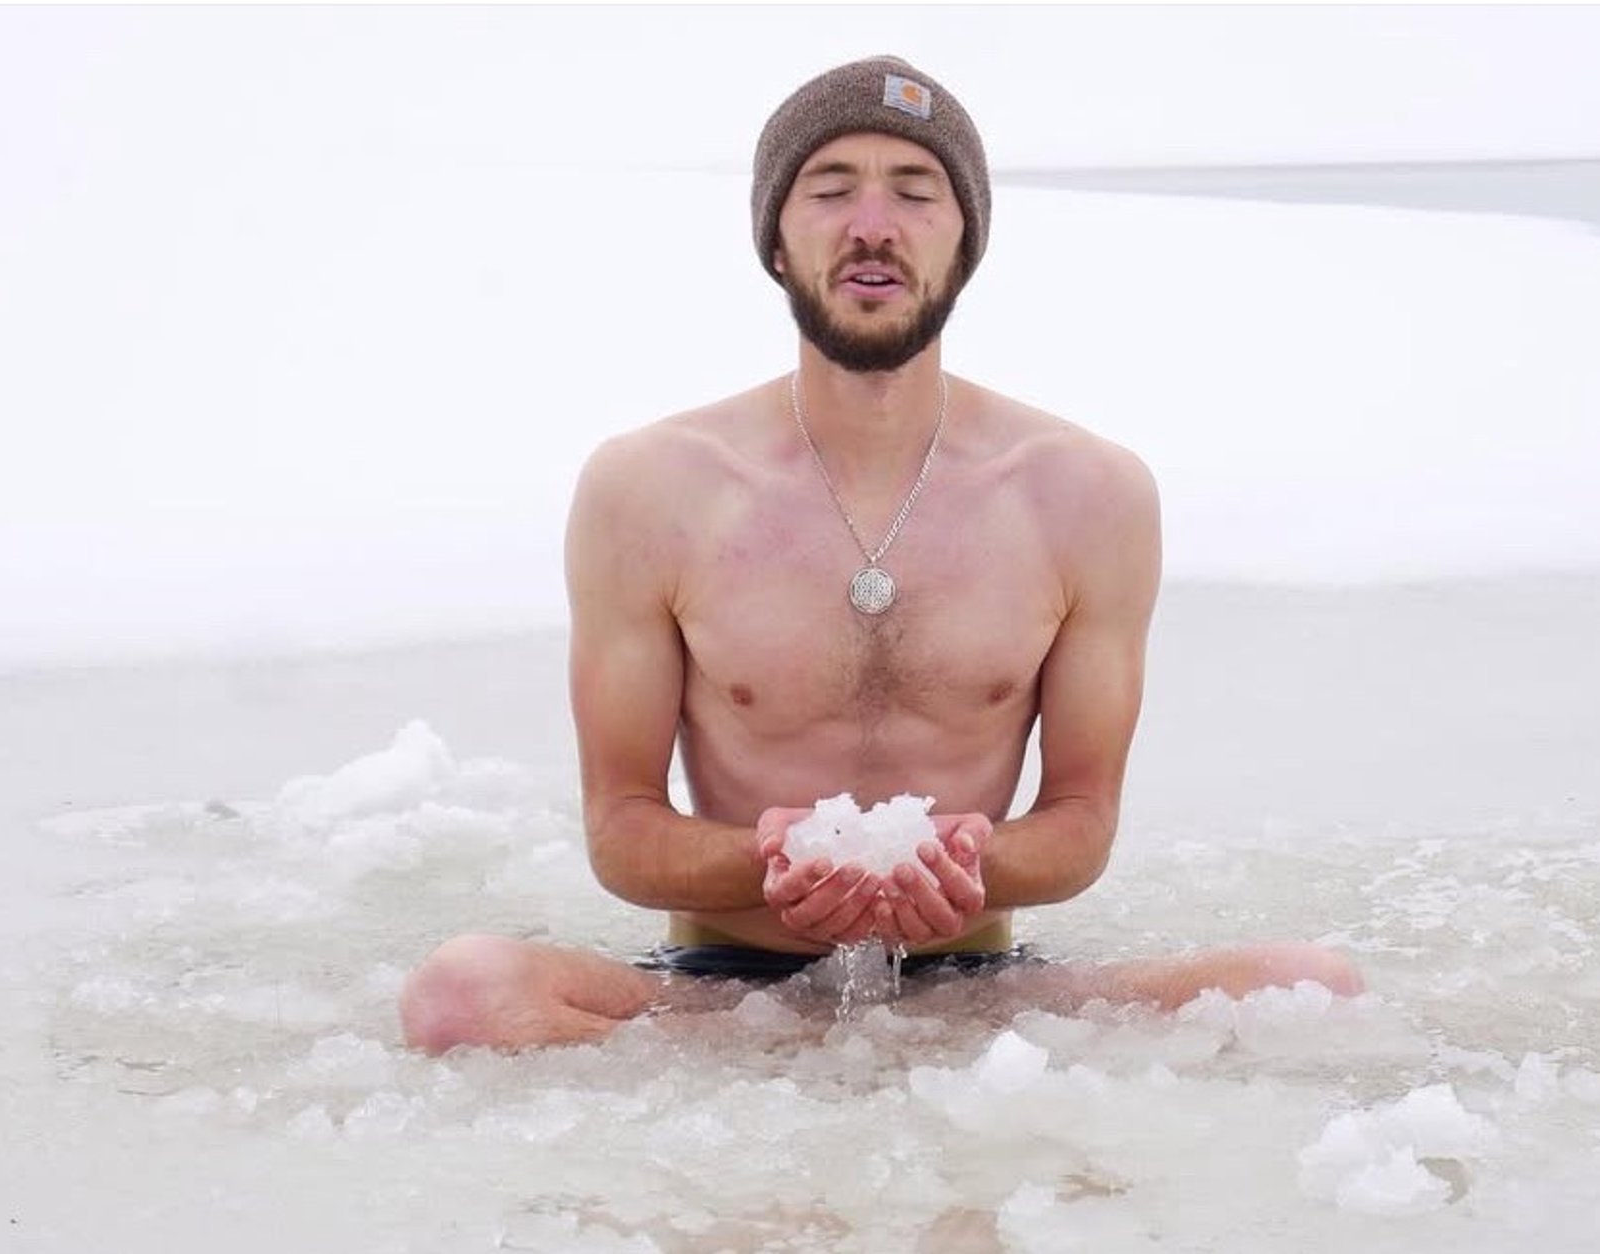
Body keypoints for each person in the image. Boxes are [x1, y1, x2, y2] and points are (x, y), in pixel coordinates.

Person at [400, 56, 1361, 1054]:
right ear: (776, 239)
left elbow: (1081, 820)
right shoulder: (651, 490)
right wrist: (765, 863)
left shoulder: (1087, 494)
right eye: (829, 191)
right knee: (462, 994)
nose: (872, 224)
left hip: (974, 989)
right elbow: (624, 829)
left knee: (1310, 988)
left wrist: (967, 866)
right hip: (722, 993)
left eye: (914, 191)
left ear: (964, 241)